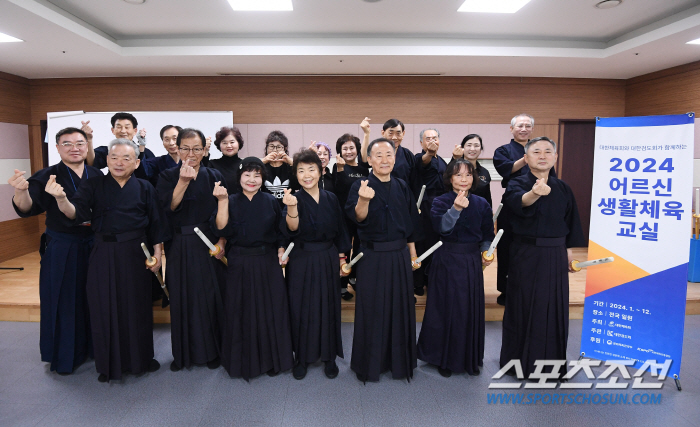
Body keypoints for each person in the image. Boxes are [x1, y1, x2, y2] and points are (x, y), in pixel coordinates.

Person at [45, 138, 169, 382]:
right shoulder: (93, 185)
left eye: (126, 158)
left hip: (137, 252)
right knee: (104, 307)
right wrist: (61, 199)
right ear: (107, 160)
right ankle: (109, 364)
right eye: (114, 157)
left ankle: (141, 360)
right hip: (103, 251)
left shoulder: (145, 187)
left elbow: (156, 224)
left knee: (137, 306)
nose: (119, 162)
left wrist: (157, 255)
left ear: (136, 163)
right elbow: (75, 213)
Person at [8, 127, 103, 375]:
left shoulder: (96, 174)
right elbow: (27, 208)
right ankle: (65, 356)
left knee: (92, 298)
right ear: (58, 148)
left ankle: (94, 349)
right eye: (67, 144)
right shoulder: (47, 176)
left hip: (94, 244)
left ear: (87, 146)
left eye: (79, 143)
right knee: (64, 299)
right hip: (64, 245)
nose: (74, 148)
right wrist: (20, 191)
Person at [499, 137, 584, 378]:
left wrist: (569, 254)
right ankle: (518, 365)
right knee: (523, 306)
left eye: (548, 151)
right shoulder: (516, 183)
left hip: (556, 255)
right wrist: (534, 193)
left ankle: (551, 367)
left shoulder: (563, 188)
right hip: (525, 254)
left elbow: (570, 223)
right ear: (526, 158)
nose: (543, 156)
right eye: (536, 152)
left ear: (555, 157)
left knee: (553, 308)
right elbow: (518, 202)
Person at [345, 138, 422, 383]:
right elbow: (358, 218)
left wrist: (413, 254)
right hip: (372, 257)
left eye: (389, 155)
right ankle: (370, 364)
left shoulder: (402, 185)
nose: (384, 160)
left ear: (395, 158)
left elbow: (410, 225)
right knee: (372, 309)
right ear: (369, 159)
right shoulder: (360, 185)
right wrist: (363, 200)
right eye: (378, 155)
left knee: (400, 309)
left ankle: (399, 363)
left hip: (399, 256)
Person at [212, 156, 293, 380]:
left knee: (271, 309)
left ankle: (273, 360)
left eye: (257, 175)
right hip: (239, 261)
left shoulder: (270, 201)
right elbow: (221, 228)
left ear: (263, 179)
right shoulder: (229, 199)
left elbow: (280, 231)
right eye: (247, 174)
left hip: (267, 261)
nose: (252, 179)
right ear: (239, 177)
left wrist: (281, 249)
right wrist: (222, 202)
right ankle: (241, 362)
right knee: (240, 310)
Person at [156, 128, 226, 372]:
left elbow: (225, 210)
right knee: (181, 297)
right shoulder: (167, 176)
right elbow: (168, 207)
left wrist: (222, 242)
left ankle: (213, 352)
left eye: (197, 149)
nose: (191, 154)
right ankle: (183, 354)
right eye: (185, 148)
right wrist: (183, 182)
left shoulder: (214, 175)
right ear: (177, 148)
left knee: (209, 297)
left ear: (205, 150)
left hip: (208, 244)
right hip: (178, 244)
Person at [416, 159, 494, 377]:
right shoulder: (440, 201)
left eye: (468, 175)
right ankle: (444, 358)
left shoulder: (481, 203)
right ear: (450, 178)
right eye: (458, 175)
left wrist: (486, 251)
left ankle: (469, 358)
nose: (463, 179)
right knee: (446, 309)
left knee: (469, 310)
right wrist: (456, 208)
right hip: (447, 259)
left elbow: (487, 234)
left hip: (471, 262)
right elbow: (442, 228)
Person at [281, 149, 351, 380]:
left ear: (321, 171)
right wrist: (291, 208)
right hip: (302, 259)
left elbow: (340, 230)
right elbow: (291, 229)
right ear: (296, 174)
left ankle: (329, 356)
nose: (307, 175)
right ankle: (302, 357)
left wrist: (342, 259)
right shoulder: (293, 198)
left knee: (328, 305)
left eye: (311, 169)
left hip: (328, 257)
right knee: (301, 307)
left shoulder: (331, 198)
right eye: (301, 170)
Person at [492, 113, 538, 306]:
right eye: (520, 125)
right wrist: (527, 158)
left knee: (531, 246)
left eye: (528, 126)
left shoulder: (539, 149)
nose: (524, 129)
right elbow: (506, 170)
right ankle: (505, 289)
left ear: (532, 129)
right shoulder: (503, 150)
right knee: (507, 246)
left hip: (536, 202)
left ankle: (529, 287)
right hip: (511, 203)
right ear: (511, 129)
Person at [333, 134, 369, 300]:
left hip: (360, 214)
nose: (348, 151)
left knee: (360, 247)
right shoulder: (337, 167)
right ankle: (342, 284)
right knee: (345, 249)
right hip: (343, 216)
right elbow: (338, 190)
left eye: (351, 148)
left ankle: (354, 277)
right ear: (340, 151)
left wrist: (366, 133)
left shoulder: (363, 169)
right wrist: (340, 169)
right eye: (345, 148)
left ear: (357, 149)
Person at [413, 128, 447, 296]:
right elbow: (423, 163)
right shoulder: (419, 158)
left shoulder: (442, 161)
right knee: (422, 244)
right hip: (424, 207)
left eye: (435, 138)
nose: (432, 141)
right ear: (421, 143)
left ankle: (432, 280)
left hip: (441, 207)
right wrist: (429, 153)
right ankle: (418, 283)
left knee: (437, 244)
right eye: (428, 139)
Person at [85, 113, 155, 180]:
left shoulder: (146, 152)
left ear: (135, 131)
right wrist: (89, 139)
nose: (123, 131)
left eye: (127, 127)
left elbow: (149, 175)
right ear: (113, 130)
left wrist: (141, 147)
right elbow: (91, 163)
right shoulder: (108, 150)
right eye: (119, 127)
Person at [359, 117, 418, 192]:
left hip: (401, 195)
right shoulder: (376, 151)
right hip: (377, 192)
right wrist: (366, 133)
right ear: (383, 133)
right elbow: (364, 161)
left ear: (403, 134)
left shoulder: (408, 155)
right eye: (390, 133)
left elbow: (415, 181)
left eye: (398, 133)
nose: (394, 137)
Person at [450, 134, 492, 207]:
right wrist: (455, 158)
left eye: (476, 146)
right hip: (455, 209)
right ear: (462, 148)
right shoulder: (453, 168)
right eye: (469, 145)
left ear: (481, 149)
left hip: (479, 211)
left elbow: (487, 197)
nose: (472, 149)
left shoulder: (484, 172)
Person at [261, 130, 298, 204]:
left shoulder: (290, 166)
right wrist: (262, 162)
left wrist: (292, 163)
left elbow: (298, 185)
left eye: (278, 147)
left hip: (288, 206)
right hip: (267, 206)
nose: (275, 150)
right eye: (271, 146)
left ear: (285, 149)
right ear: (266, 148)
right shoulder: (262, 167)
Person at [209, 126, 244, 190]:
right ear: (219, 145)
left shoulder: (245, 165)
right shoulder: (212, 165)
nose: (228, 146)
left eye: (232, 142)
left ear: (239, 143)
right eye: (224, 143)